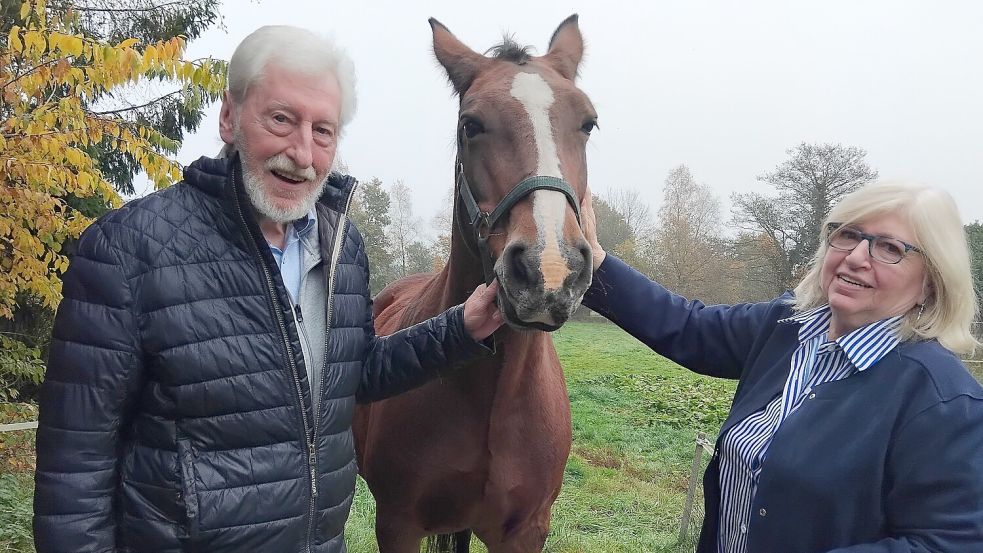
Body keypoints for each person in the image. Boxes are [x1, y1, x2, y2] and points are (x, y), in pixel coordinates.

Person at [33, 26, 503, 553]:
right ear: (230, 117)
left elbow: (354, 372)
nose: (302, 153)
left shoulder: (340, 246)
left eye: (323, 131)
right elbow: (75, 469)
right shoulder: (126, 250)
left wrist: (461, 329)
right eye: (282, 119)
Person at [578, 179, 983, 552]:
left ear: (932, 279)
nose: (857, 256)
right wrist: (595, 262)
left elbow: (949, 543)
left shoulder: (944, 401)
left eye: (890, 248)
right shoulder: (785, 326)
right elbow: (689, 327)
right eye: (848, 234)